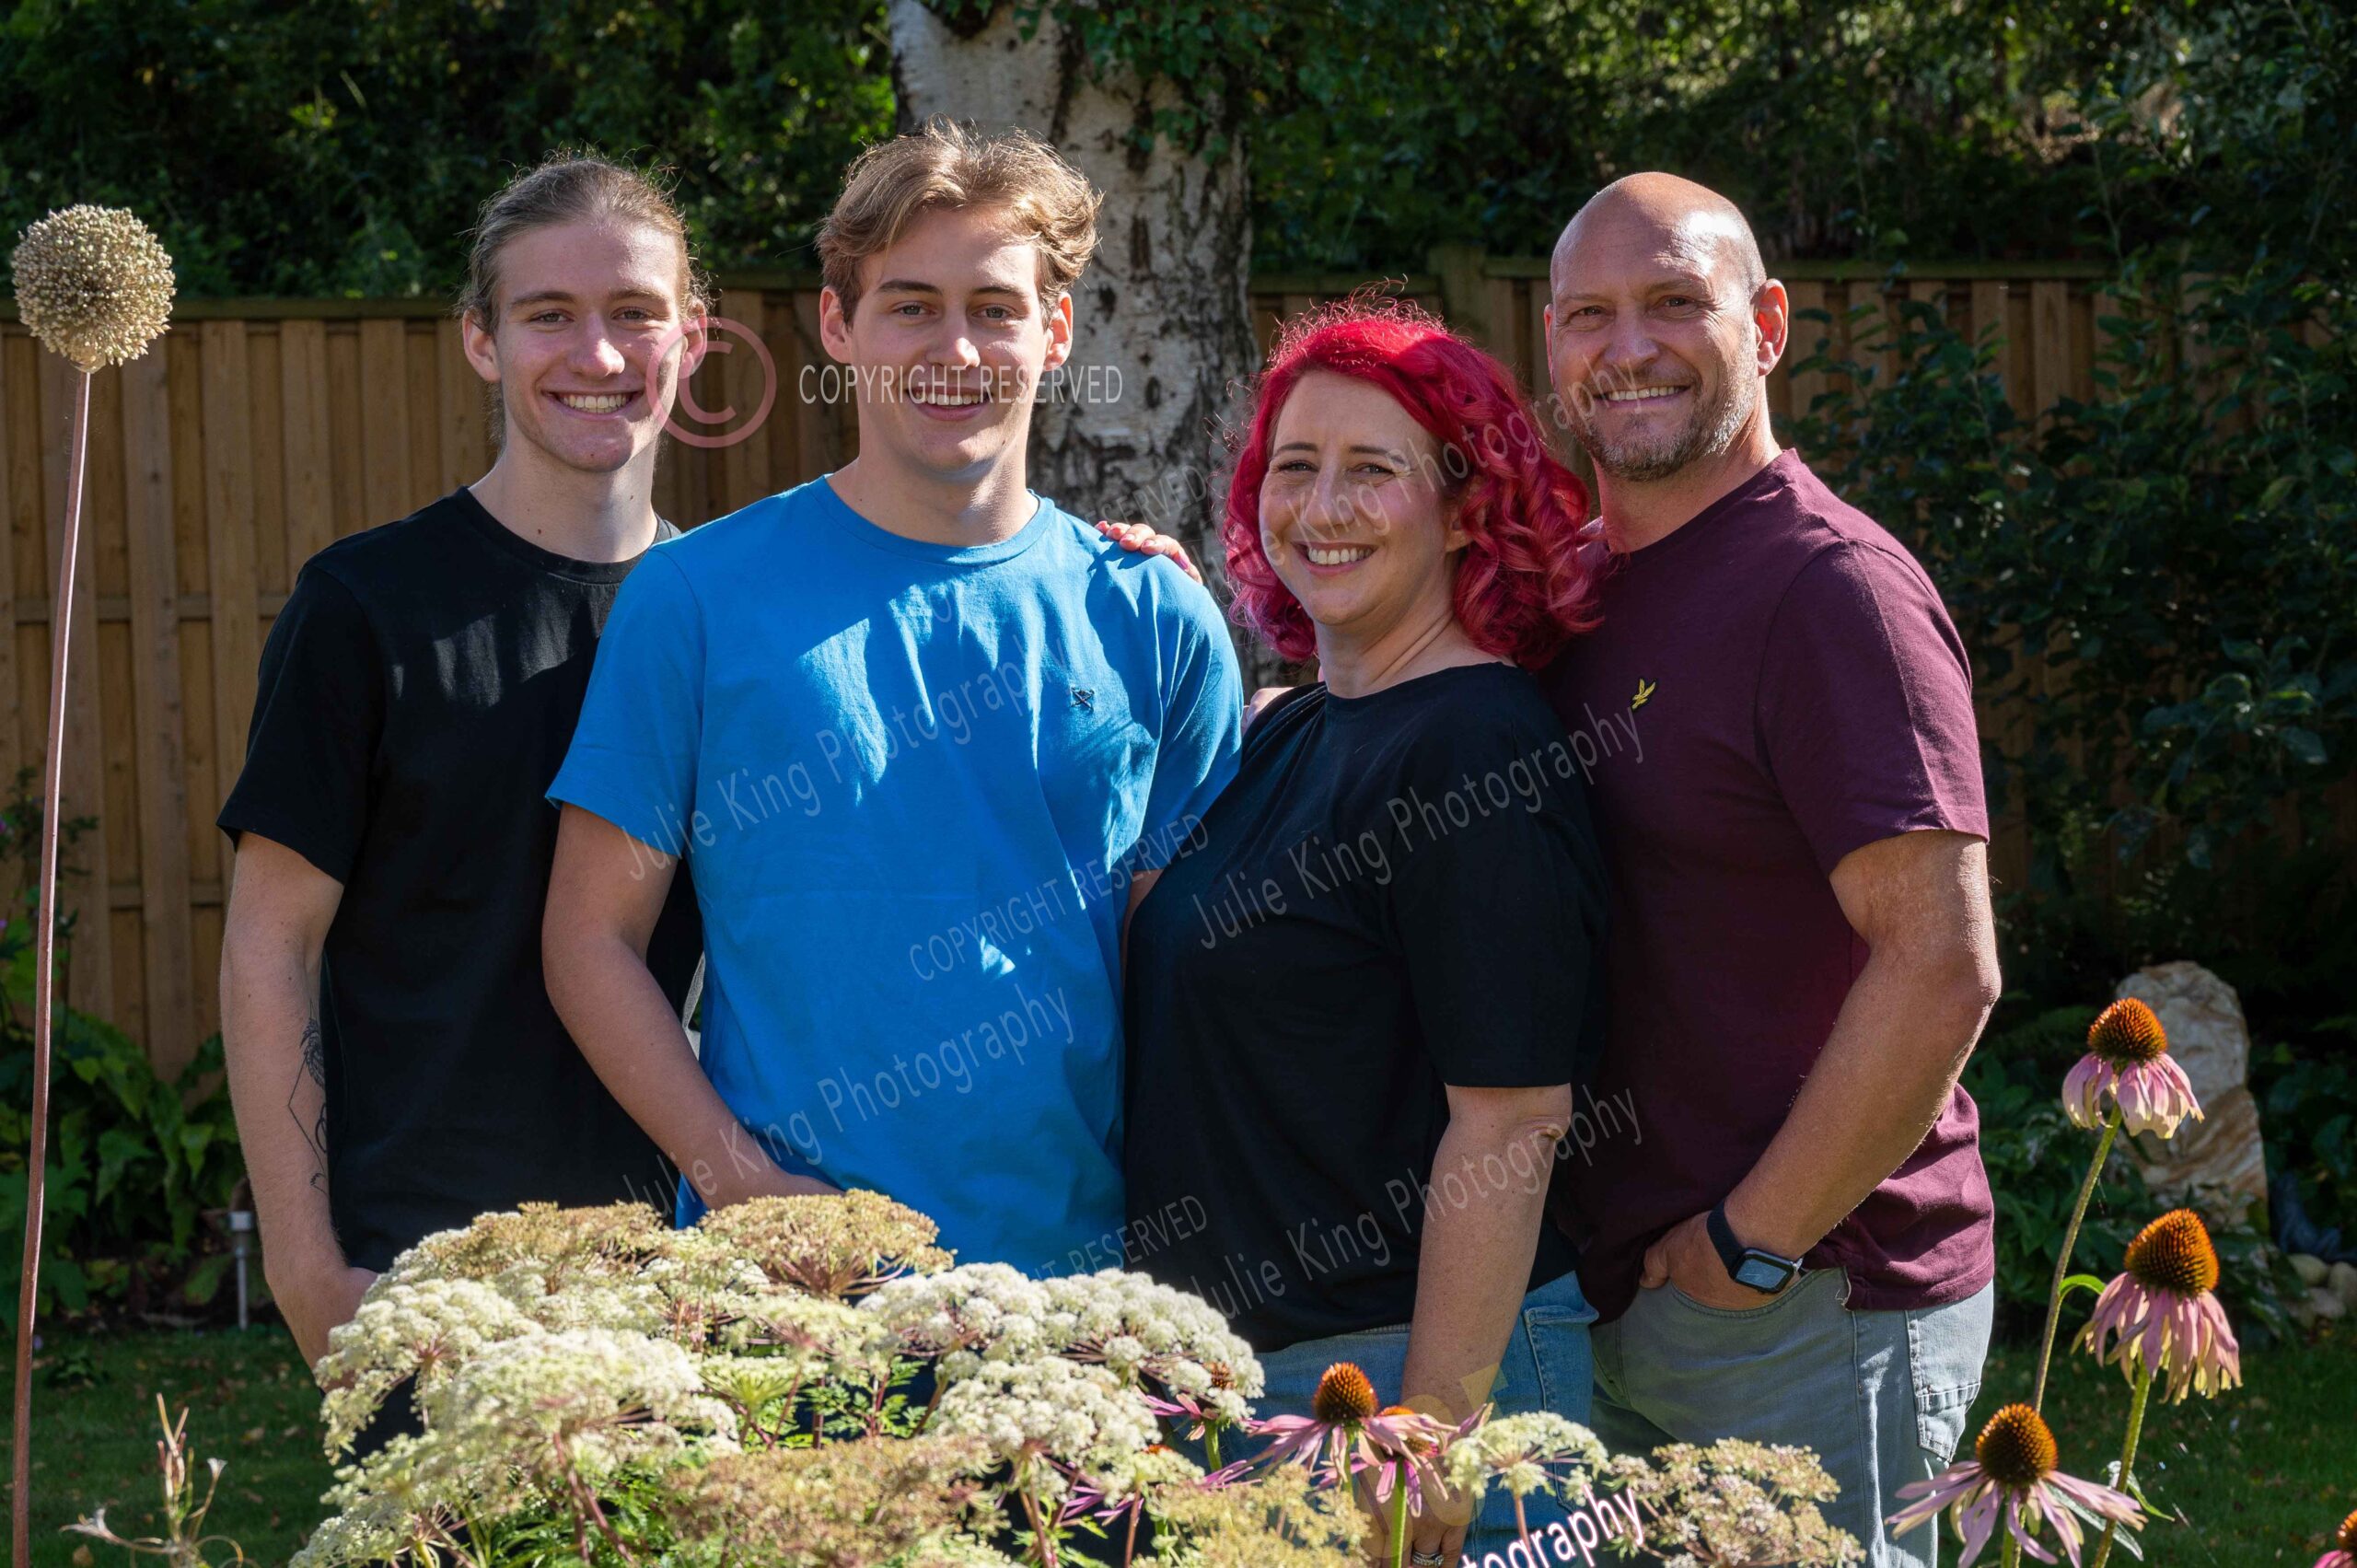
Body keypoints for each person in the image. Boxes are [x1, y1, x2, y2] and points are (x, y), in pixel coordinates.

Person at [540, 122, 1241, 1277]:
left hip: (1085, 1299)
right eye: (910, 304)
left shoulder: (1154, 617)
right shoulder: (698, 598)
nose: (954, 347)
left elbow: (1194, 978)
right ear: (837, 326)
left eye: (995, 307)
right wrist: (748, 1192)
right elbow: (589, 939)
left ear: (1057, 330)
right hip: (782, 1296)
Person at [1539, 172, 2002, 1565]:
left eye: (1676, 302)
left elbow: (1941, 961)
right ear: (1550, 346)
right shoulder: (1572, 584)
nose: (1630, 346)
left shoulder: (1829, 590)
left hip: (1804, 1299)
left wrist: (1748, 1242)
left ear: (1770, 323)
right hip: (1618, 1294)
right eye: (1589, 315)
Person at [1124, 301, 1608, 1568]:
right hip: (1261, 1389)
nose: (1321, 504)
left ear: (1464, 509)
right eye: (1295, 466)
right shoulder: (1290, 730)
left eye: (1373, 469)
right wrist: (1112, 602)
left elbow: (1513, 1115)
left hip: (1416, 1385)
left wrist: (1434, 1423)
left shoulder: (1474, 747)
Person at [216, 155, 708, 1373]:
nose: (597, 355)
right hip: (428, 1285)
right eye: (549, 314)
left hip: (686, 1285)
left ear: (690, 340)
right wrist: (306, 1266)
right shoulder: (367, 606)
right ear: (483, 341)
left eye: (634, 313)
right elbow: (269, 943)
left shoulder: (729, 617)